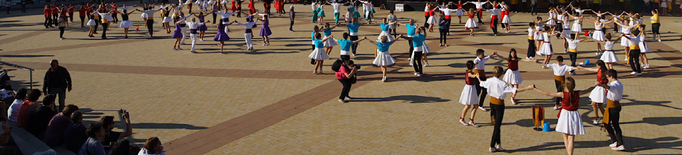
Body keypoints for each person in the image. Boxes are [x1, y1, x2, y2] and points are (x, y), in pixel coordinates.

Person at [530, 77, 596, 155]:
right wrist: (595, 85)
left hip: (565, 115)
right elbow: (588, 89)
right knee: (571, 137)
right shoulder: (578, 93)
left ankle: (569, 153)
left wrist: (535, 88)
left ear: (565, 86)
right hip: (574, 114)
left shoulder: (563, 94)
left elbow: (548, 93)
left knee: (565, 135)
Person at [478, 66, 534, 152]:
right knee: (497, 126)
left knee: (497, 124)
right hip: (499, 105)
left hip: (492, 104)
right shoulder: (502, 84)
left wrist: (478, 77)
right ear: (501, 74)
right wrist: (527, 88)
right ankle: (492, 145)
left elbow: (481, 83)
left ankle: (498, 144)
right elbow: (515, 90)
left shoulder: (489, 80)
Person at [595, 69, 625, 151]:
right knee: (614, 124)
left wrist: (600, 84)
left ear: (611, 77)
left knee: (608, 123)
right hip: (615, 106)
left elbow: (609, 87)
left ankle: (618, 142)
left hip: (612, 107)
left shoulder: (614, 85)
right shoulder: (619, 83)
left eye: (608, 77)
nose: (607, 78)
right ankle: (617, 141)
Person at [576, 60, 608, 124]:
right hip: (597, 88)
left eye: (597, 65)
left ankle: (602, 118)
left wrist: (602, 84)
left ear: (601, 65)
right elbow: (590, 69)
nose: (597, 66)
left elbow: (608, 80)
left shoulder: (606, 72)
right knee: (596, 104)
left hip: (602, 89)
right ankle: (601, 117)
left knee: (599, 105)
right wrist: (582, 68)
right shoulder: (598, 70)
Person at [459, 60, 480, 127]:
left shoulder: (469, 71)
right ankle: (462, 118)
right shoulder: (469, 73)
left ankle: (471, 120)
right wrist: (476, 76)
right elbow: (471, 76)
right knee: (468, 105)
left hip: (472, 88)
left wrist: (475, 63)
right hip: (469, 89)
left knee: (476, 105)